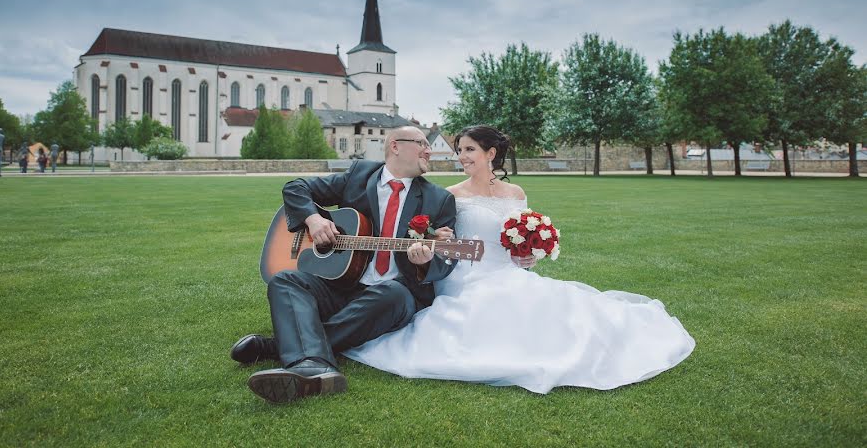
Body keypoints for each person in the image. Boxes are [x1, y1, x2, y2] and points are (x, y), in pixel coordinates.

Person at [344, 125, 695, 393]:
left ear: (490, 153)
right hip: (464, 276)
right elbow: (440, 242)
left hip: (508, 271)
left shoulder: (516, 193)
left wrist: (530, 255)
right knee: (496, 307)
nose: (461, 156)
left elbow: (519, 240)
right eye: (459, 151)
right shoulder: (449, 195)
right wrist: (434, 242)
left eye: (468, 150)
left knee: (548, 305)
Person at [232, 126, 459, 403]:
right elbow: (295, 188)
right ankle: (312, 361)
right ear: (396, 146)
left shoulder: (439, 199)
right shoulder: (359, 175)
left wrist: (424, 263)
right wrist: (313, 220)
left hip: (391, 295)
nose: (429, 149)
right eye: (422, 143)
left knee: (393, 294)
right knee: (285, 280)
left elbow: (446, 259)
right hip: (342, 285)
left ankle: (286, 349)